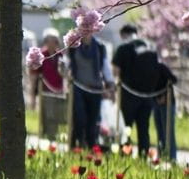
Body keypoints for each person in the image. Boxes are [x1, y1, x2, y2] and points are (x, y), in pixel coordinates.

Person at [111, 24, 166, 157]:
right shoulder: (151, 47)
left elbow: (115, 71)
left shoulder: (123, 48)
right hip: (147, 95)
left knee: (127, 127)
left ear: (123, 35)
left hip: (128, 94)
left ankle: (125, 155)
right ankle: (143, 157)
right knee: (143, 129)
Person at [67, 31, 113, 149]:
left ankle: (91, 146)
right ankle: (77, 144)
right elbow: (68, 64)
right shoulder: (73, 46)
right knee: (79, 117)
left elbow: (105, 67)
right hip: (78, 88)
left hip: (95, 90)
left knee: (93, 121)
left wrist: (110, 84)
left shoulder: (100, 47)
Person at [151, 55, 179, 160]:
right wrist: (156, 98)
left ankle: (172, 158)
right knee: (160, 131)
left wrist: (165, 95)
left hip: (167, 102)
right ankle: (162, 156)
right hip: (156, 102)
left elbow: (173, 80)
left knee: (168, 132)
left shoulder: (161, 67)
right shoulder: (147, 71)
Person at [28, 28, 65, 108]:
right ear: (46, 41)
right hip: (44, 92)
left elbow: (63, 73)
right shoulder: (40, 56)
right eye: (50, 40)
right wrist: (32, 98)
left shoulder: (60, 55)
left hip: (58, 90)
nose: (52, 43)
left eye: (55, 41)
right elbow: (34, 76)